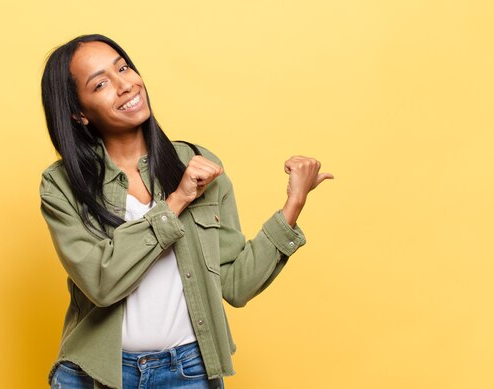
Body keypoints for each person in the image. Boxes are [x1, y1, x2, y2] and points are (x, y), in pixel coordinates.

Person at [38, 33, 333, 389]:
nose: (125, 85)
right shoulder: (62, 185)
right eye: (101, 83)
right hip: (95, 375)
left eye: (124, 68)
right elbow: (102, 284)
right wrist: (176, 201)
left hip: (186, 373)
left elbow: (237, 284)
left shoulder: (197, 163)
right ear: (79, 113)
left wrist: (293, 204)